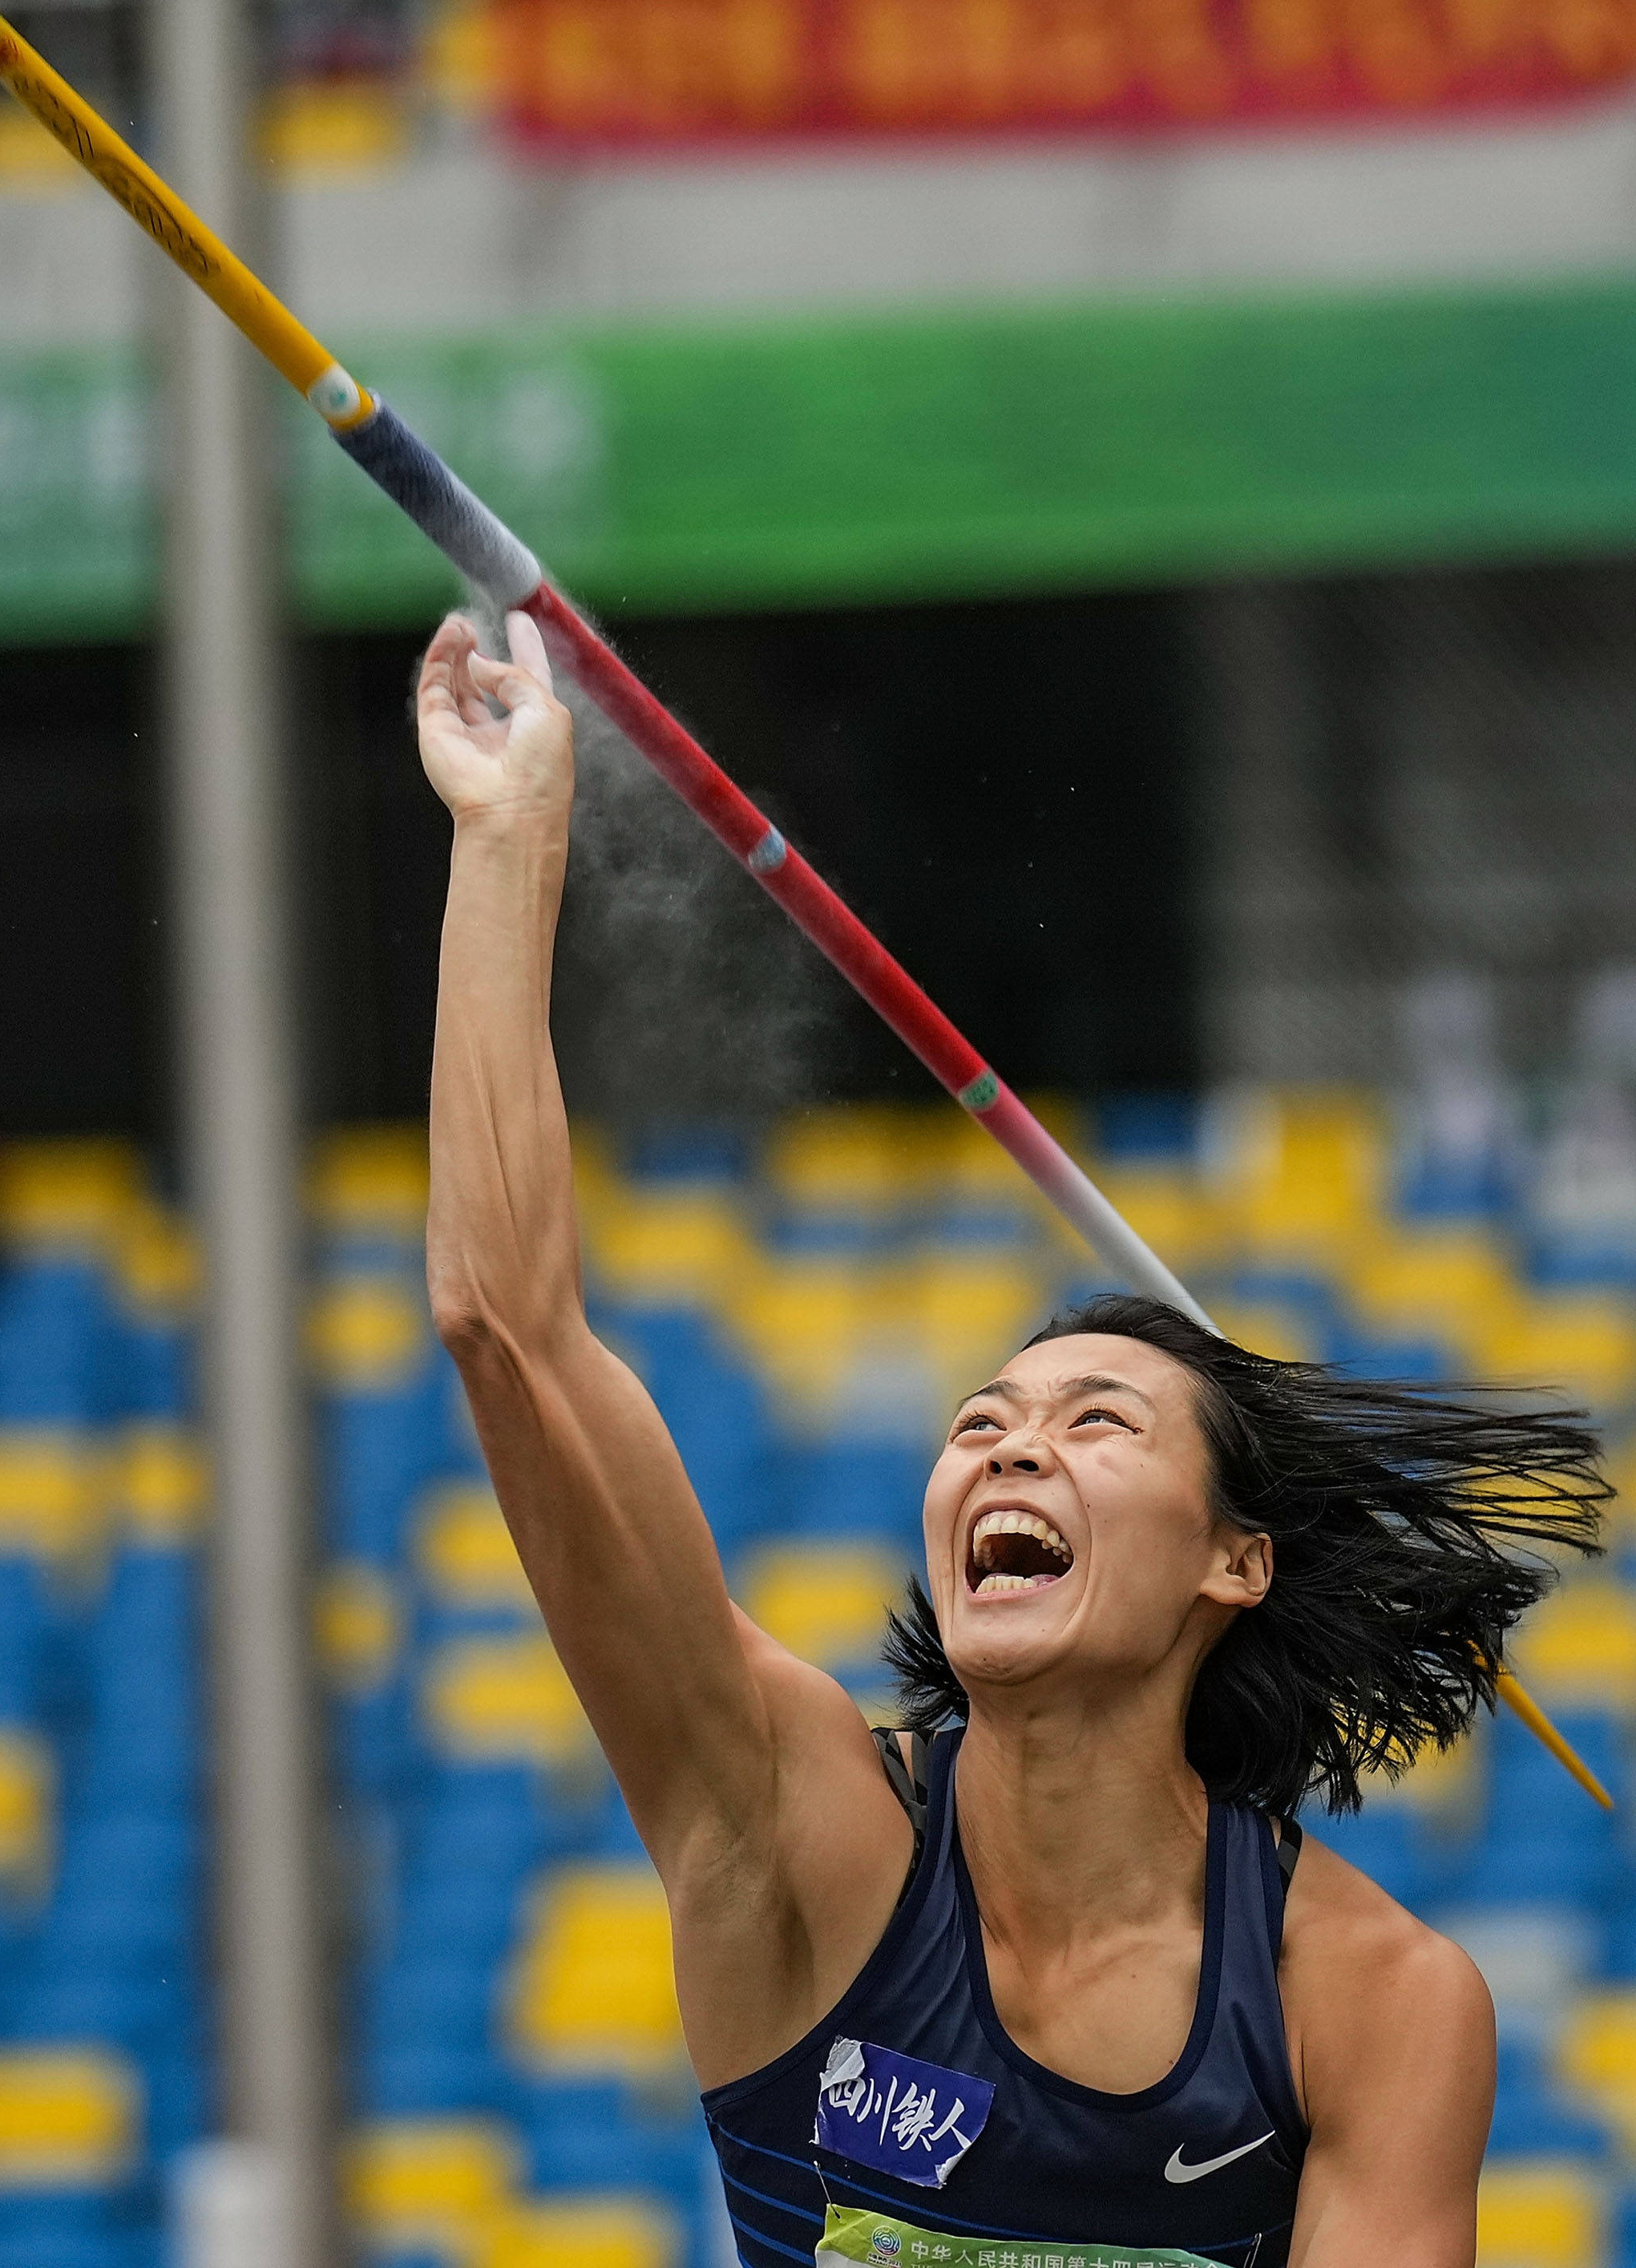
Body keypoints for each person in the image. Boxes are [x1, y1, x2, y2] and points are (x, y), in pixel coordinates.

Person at [415, 608, 1611, 2268]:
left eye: (1092, 1421)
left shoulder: (1372, 2004)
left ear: (1230, 1558)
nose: (1006, 1450)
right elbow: (505, 1333)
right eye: (978, 1423)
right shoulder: (792, 1840)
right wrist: (507, 833)